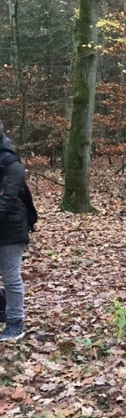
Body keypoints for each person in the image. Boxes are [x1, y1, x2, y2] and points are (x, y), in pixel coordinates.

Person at [0, 119, 28, 341]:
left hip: (11, 228)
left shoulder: (11, 164)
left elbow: (7, 200)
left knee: (10, 277)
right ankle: (3, 307)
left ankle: (15, 323)